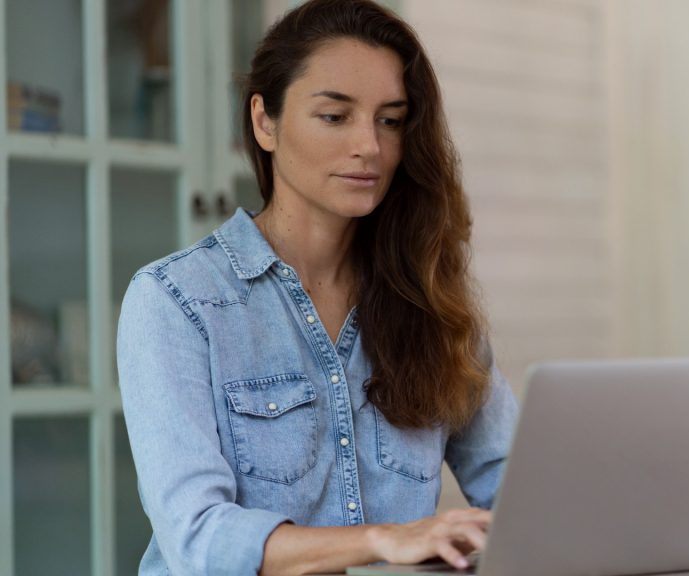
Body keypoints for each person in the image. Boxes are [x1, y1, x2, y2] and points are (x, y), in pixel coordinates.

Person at [116, 1, 519, 574]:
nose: (370, 148)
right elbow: (199, 536)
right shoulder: (175, 301)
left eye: (390, 119)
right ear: (265, 121)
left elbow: (521, 490)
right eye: (335, 116)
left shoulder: (430, 301)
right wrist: (383, 540)